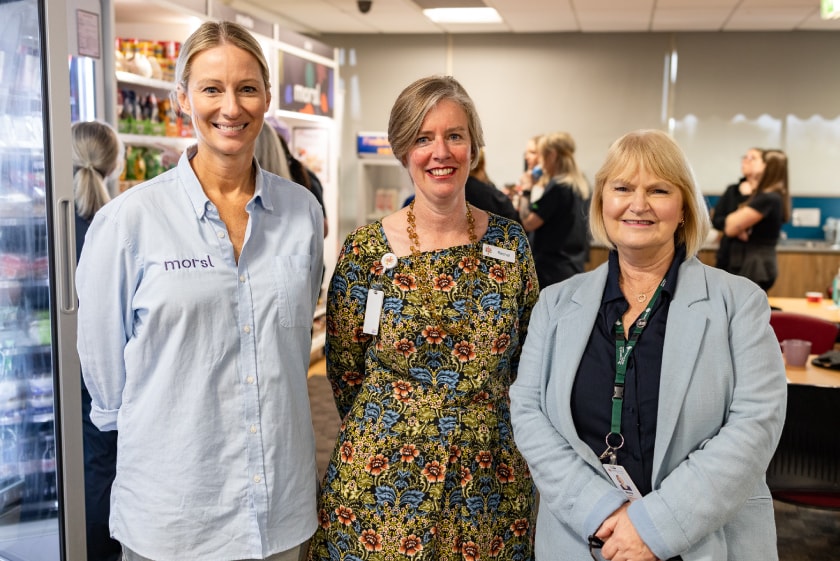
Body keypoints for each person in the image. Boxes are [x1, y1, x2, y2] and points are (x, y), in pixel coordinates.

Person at [76, 21, 324, 561]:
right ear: (183, 98)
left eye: (247, 88)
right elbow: (106, 381)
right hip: (175, 519)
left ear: (264, 97)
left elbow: (291, 337)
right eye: (212, 88)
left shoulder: (302, 213)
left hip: (278, 514)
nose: (230, 107)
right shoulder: (129, 223)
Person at [509, 129, 787, 561]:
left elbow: (756, 423)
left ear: (683, 209)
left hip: (706, 540)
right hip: (586, 538)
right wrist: (603, 511)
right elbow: (528, 412)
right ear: (603, 201)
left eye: (658, 189)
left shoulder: (739, 302)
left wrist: (655, 526)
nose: (638, 204)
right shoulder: (556, 303)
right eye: (622, 188)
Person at [307, 75, 540, 561]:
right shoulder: (366, 252)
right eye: (423, 138)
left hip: (489, 486)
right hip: (382, 486)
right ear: (402, 149)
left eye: (455, 135)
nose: (441, 152)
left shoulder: (511, 245)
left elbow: (528, 360)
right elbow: (346, 372)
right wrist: (407, 422)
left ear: (473, 147)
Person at [72, 120, 123, 561]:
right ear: (114, 161)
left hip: (63, 369)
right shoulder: (112, 222)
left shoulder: (54, 221)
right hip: (103, 370)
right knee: (100, 460)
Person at [521, 131, 591, 289]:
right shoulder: (580, 185)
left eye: (541, 155)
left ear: (552, 155)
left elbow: (528, 222)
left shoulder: (558, 188)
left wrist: (526, 190)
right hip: (572, 267)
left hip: (552, 271)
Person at [723, 149, 791, 291]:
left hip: (756, 265)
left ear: (768, 166)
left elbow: (730, 227)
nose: (750, 162)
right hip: (758, 263)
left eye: (757, 160)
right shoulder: (773, 195)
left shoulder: (768, 197)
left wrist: (737, 224)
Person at [710, 147, 765, 271]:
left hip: (753, 261)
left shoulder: (766, 195)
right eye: (745, 157)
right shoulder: (732, 190)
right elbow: (716, 219)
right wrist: (736, 228)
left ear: (764, 165)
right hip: (727, 257)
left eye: (752, 158)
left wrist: (745, 197)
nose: (746, 161)